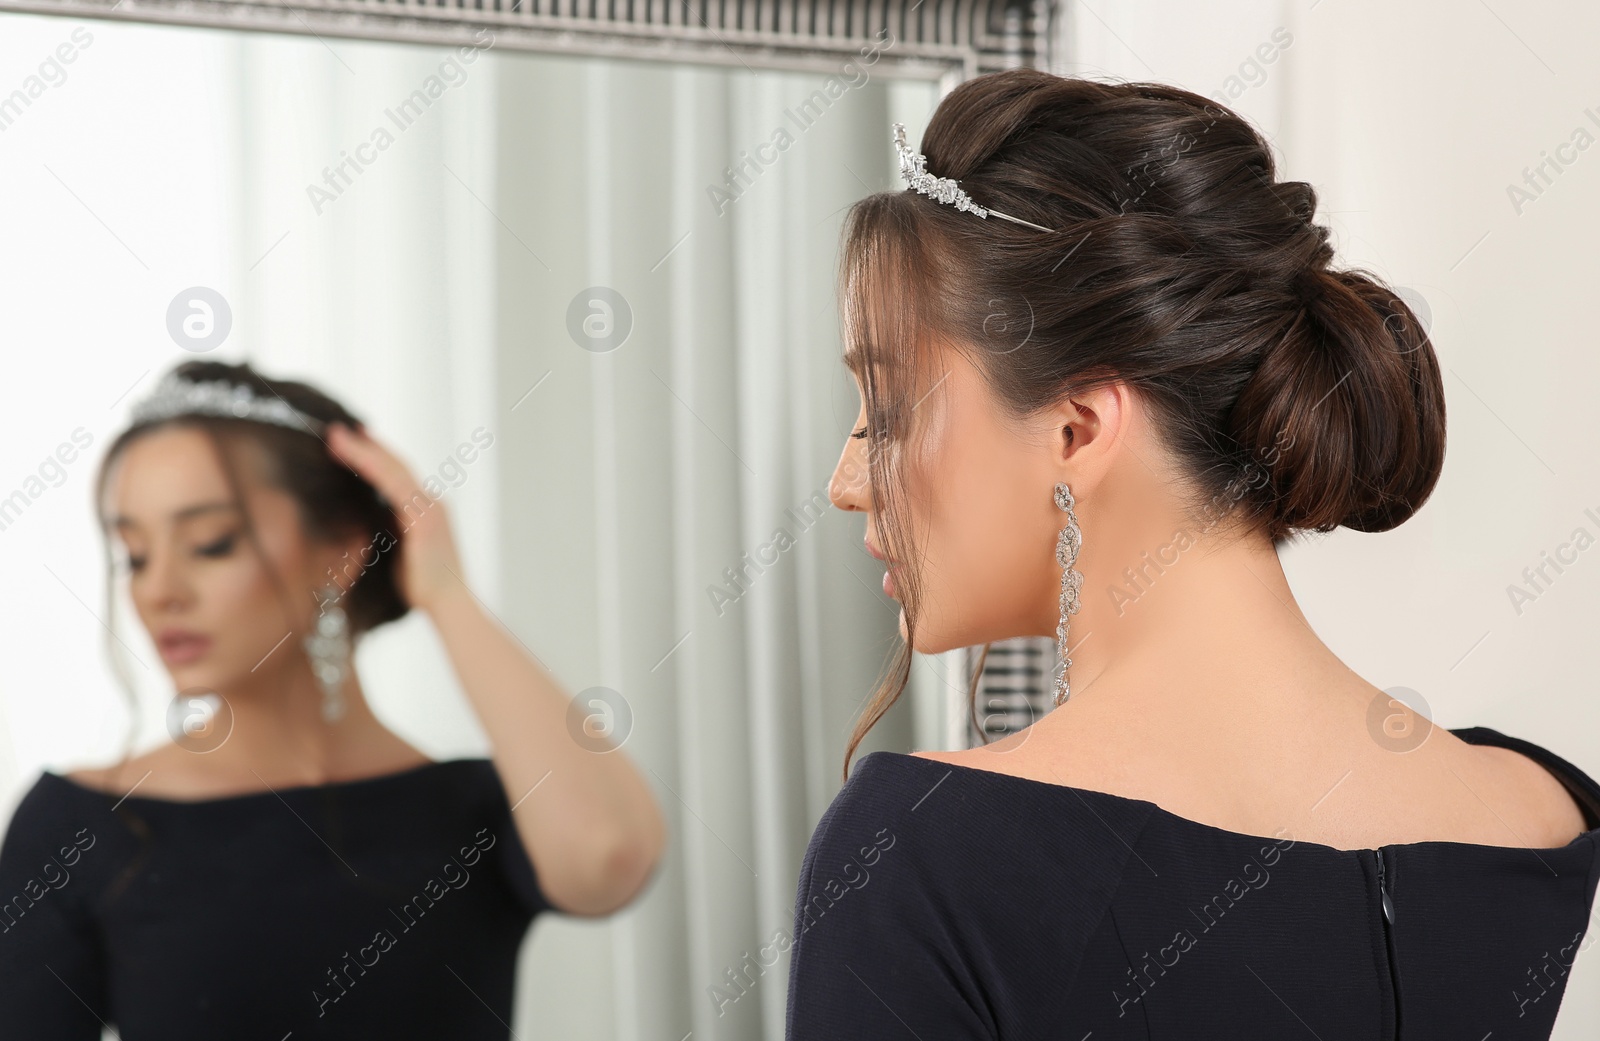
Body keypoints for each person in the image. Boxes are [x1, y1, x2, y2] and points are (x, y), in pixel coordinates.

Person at [786, 69, 1600, 1040]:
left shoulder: (928, 857)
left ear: (1078, 431)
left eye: (886, 411)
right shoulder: (1533, 813)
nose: (846, 481)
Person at [0, 359, 666, 1038]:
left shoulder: (472, 810)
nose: (158, 590)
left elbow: (608, 855)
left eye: (210, 543)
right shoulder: (79, 827)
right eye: (134, 555)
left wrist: (446, 592)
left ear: (340, 554)